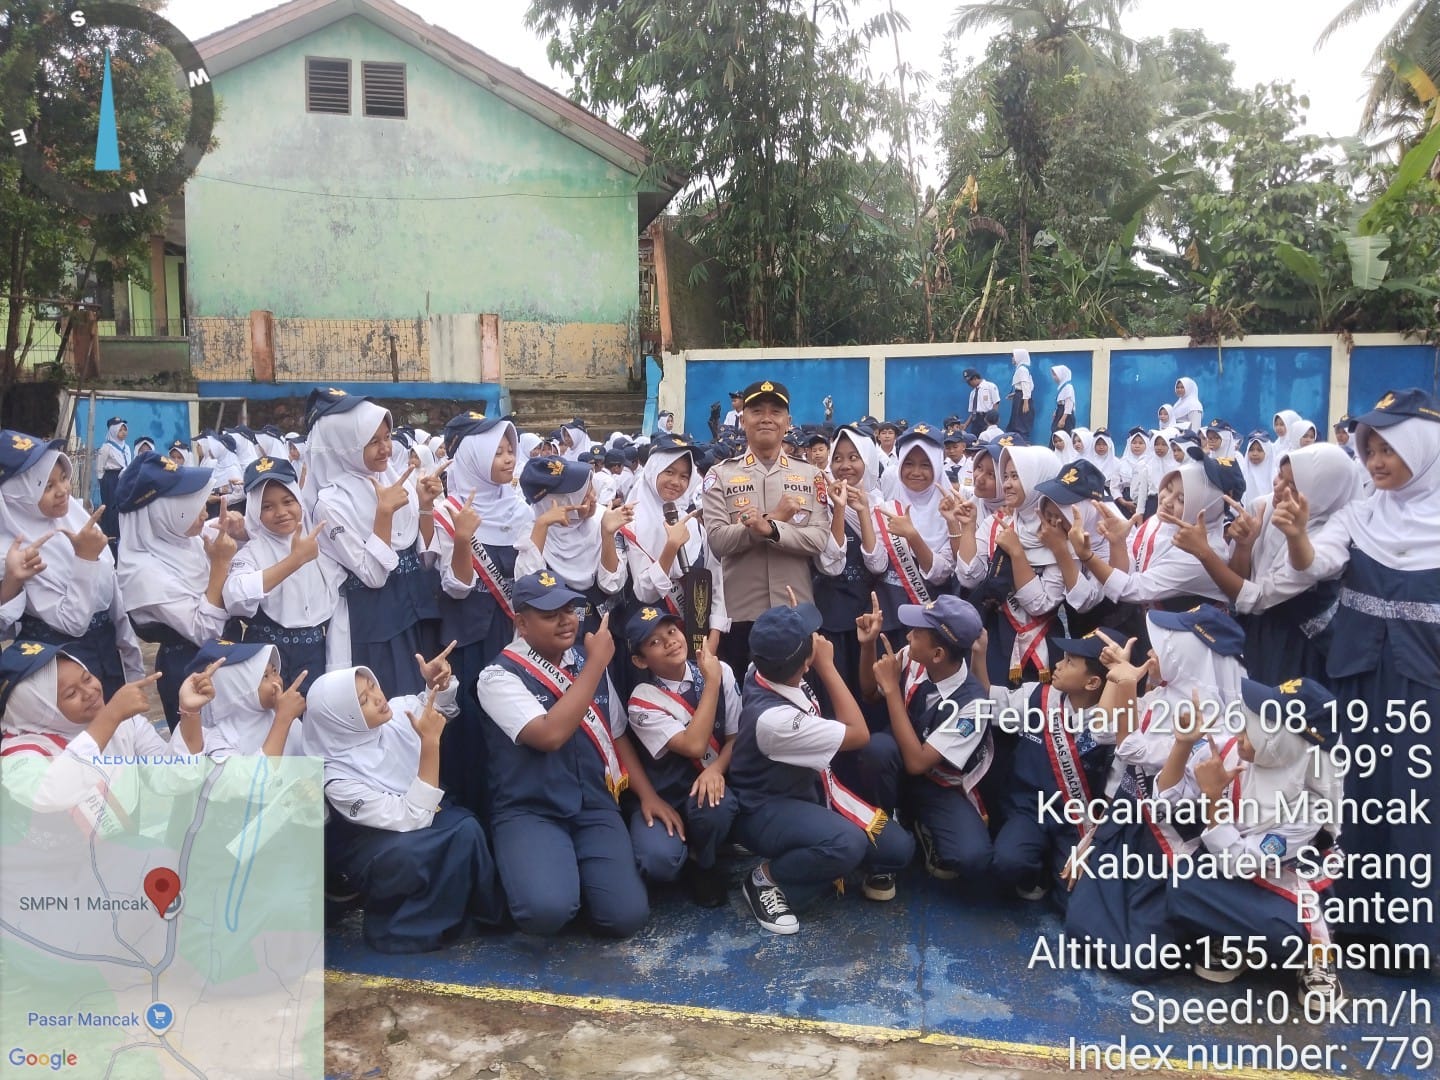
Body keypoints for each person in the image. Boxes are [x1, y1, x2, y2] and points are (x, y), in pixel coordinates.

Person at [1273, 388, 1440, 958]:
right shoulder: (1360, 515)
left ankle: (1414, 936)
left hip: (1423, 686)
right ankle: (1358, 922)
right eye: (1369, 449)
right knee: (1358, 798)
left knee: (1417, 802)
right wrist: (1297, 535)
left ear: (1422, 448)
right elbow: (1315, 563)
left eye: (1388, 449)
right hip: (1359, 680)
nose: (1375, 461)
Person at [1063, 608, 1247, 976]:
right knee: (1079, 921)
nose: (1150, 653)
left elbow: (1131, 750)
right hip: (1130, 827)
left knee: (1138, 961)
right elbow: (1101, 732)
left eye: (1161, 646)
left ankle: (1210, 933)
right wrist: (1120, 679)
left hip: (1171, 844)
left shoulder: (1214, 719)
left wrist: (1126, 685)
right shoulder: (1162, 693)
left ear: (1187, 654)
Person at [1156, 676, 1347, 1015]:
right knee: (1181, 887)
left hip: (1284, 884)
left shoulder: (1309, 805)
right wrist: (1183, 744)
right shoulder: (1233, 749)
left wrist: (1213, 797)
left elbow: (1242, 861)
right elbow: (1165, 801)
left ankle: (1315, 953)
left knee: (1283, 936)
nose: (1242, 733)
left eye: (1256, 729)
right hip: (1234, 871)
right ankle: (1239, 935)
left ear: (1284, 743)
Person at [475, 571, 649, 937]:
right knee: (545, 911)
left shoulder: (586, 658)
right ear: (521, 623)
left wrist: (648, 796)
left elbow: (616, 734)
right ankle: (540, 879)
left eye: (569, 609)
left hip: (594, 804)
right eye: (549, 614)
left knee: (626, 918)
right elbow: (549, 735)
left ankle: (574, 882)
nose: (565, 620)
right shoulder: (497, 676)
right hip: (532, 808)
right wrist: (596, 664)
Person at [728, 602, 915, 933]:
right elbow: (859, 734)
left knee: (898, 851)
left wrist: (790, 626)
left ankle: (819, 859)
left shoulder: (764, 666)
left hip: (806, 789)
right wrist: (827, 667)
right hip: (765, 808)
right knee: (847, 844)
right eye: (810, 637)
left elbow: (779, 645)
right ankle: (767, 880)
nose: (818, 638)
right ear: (804, 663)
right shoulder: (773, 719)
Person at [302, 657, 504, 953]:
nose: (378, 698)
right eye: (363, 701)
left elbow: (436, 709)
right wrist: (430, 744)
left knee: (467, 829)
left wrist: (438, 685)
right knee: (415, 852)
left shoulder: (396, 713)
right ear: (342, 719)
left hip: (416, 814)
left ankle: (477, 916)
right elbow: (412, 816)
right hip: (373, 841)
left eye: (373, 686)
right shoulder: (337, 776)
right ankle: (402, 930)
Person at [1169, 443, 1363, 684]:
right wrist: (1244, 546)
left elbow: (1259, 597)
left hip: (1295, 646)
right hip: (1254, 630)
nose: (1278, 487)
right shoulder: (1265, 506)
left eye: (1292, 486)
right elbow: (1239, 587)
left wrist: (1204, 553)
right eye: (1280, 475)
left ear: (1321, 494)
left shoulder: (1331, 535)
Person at [305, 388, 442, 696]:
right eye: (372, 441)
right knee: (391, 706)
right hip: (378, 628)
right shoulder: (331, 504)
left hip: (417, 614)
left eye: (387, 437)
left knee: (429, 702)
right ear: (346, 446)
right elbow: (372, 575)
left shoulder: (394, 479)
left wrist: (425, 506)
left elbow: (424, 558)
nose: (386, 449)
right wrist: (384, 514)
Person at [858, 595, 999, 884]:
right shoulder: (913, 658)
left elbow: (918, 763)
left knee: (973, 857)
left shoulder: (974, 706)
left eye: (917, 633)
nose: (908, 636)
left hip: (938, 784)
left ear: (938, 654)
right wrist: (867, 645)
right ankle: (884, 846)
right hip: (894, 768)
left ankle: (920, 822)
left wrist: (892, 690)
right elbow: (870, 693)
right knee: (877, 750)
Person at [428, 412, 529, 815]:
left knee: (510, 718)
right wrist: (462, 539)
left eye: (510, 450)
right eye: (497, 452)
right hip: (468, 640)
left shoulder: (519, 509)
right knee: (469, 724)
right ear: (474, 457)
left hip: (512, 634)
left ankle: (512, 804)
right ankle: (473, 809)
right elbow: (457, 587)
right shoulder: (449, 510)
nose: (508, 459)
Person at [702, 380, 833, 675]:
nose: (766, 418)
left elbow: (818, 539)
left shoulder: (811, 476)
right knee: (742, 697)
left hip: (795, 611)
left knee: (797, 697)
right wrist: (769, 520)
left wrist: (771, 529)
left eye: (775, 412)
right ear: (743, 419)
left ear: (788, 422)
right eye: (757, 411)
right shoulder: (720, 475)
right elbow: (718, 541)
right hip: (740, 617)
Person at [0, 431, 144, 699]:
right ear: (18, 494)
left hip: (106, 654)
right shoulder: (16, 552)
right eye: (46, 486)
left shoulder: (75, 519)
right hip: (65, 670)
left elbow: (112, 597)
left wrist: (132, 662)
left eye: (64, 478)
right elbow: (73, 622)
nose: (63, 490)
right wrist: (85, 558)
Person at [986, 627, 1120, 906]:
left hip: (1076, 819)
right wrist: (978, 654)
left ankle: (1054, 865)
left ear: (1093, 683)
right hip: (1029, 809)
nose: (1058, 664)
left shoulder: (1116, 728)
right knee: (1008, 862)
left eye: (1070, 662)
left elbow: (1112, 797)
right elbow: (989, 702)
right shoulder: (1039, 695)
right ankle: (1035, 870)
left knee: (1074, 901)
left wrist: (1091, 844)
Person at [622, 607, 741, 905]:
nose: (670, 641)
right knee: (658, 860)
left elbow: (736, 738)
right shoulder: (642, 699)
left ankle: (704, 861)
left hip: (708, 788)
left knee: (716, 806)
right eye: (654, 642)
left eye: (672, 631)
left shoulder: (721, 670)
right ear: (640, 660)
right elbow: (694, 746)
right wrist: (711, 683)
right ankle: (681, 855)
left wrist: (717, 769)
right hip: (666, 795)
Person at [115, 450, 234, 728]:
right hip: (189, 671)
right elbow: (207, 631)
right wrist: (219, 564)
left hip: (219, 662)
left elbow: (210, 533)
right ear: (164, 513)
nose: (204, 513)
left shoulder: (179, 540)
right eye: (192, 506)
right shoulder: (143, 574)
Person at [222, 456, 340, 696]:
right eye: (267, 507)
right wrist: (294, 561)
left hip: (316, 655)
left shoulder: (320, 542)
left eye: (288, 501)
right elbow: (235, 596)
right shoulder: (252, 551)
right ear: (254, 511)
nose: (281, 512)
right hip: (268, 659)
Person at [190, 639, 307, 759]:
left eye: (274, 671)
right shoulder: (220, 739)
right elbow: (258, 771)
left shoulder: (279, 713)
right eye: (265, 676)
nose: (277, 681)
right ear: (238, 687)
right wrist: (283, 719)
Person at [94, 416, 131, 550]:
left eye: (125, 430)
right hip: (111, 479)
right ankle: (111, 536)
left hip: (124, 478)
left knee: (124, 506)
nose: (124, 432)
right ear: (113, 431)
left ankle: (123, 535)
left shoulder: (126, 447)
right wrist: (103, 482)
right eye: (120, 430)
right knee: (111, 508)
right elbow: (100, 467)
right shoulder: (106, 447)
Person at [962, 369, 1001, 437]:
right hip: (976, 420)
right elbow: (973, 412)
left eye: (969, 382)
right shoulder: (973, 393)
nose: (968, 384)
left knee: (987, 438)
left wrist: (992, 421)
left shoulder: (990, 386)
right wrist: (966, 424)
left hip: (987, 418)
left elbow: (996, 403)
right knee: (975, 439)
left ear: (975, 378)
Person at [1007, 349, 1035, 435]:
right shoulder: (1020, 368)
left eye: (1014, 356)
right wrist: (1015, 394)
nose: (1012, 358)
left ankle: (1022, 440)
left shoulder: (1022, 369)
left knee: (1020, 422)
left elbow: (1026, 385)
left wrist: (1025, 402)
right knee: (1017, 421)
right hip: (1020, 396)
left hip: (1022, 399)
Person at [1050, 365, 1077, 434]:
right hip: (1060, 411)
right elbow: (1060, 402)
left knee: (1064, 434)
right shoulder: (1061, 387)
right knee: (1056, 434)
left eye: (1055, 375)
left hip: (1066, 415)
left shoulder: (1068, 387)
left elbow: (1069, 404)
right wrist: (1056, 411)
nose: (1053, 377)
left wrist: (1063, 419)